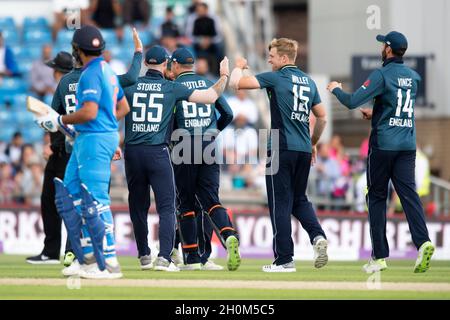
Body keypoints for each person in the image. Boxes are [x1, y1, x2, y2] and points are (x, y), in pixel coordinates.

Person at [327, 31, 434, 273]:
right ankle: (424, 242)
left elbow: (352, 101)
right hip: (407, 145)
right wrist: (375, 114)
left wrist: (335, 89)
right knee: (409, 196)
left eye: (383, 45)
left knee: (375, 196)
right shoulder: (414, 77)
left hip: (383, 145)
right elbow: (396, 108)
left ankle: (379, 257)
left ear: (387, 49)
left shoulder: (382, 74)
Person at [122, 45, 230, 272]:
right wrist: (224, 75)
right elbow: (213, 97)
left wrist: (137, 53)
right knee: (169, 206)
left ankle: (144, 255)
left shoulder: (130, 86)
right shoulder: (172, 88)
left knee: (138, 205)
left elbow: (116, 109)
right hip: (161, 152)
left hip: (133, 152)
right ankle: (168, 257)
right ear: (165, 64)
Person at [37, 25, 131, 280]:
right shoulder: (108, 71)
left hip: (93, 139)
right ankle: (86, 256)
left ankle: (108, 262)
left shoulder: (90, 74)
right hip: (89, 138)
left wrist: (60, 121)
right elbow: (122, 107)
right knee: (71, 194)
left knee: (95, 199)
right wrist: (106, 125)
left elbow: (89, 112)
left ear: (77, 50)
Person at [229, 38, 329, 272]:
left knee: (279, 203)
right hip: (304, 149)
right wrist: (313, 142)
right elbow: (322, 117)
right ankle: (317, 237)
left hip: (280, 148)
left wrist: (239, 65)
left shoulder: (275, 77)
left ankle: (284, 259)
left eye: (272, 55)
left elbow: (236, 83)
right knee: (299, 200)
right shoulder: (309, 81)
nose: (269, 59)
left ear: (284, 58)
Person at [170, 48, 239, 271]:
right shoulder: (207, 84)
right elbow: (228, 114)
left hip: (182, 145)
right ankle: (228, 234)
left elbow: (168, 121)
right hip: (208, 144)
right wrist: (213, 132)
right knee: (211, 201)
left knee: (186, 204)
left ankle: (191, 258)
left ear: (176, 65)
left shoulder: (174, 88)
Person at [26, 51, 75, 265]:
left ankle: (70, 251)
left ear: (58, 71)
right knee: (49, 201)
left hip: (67, 154)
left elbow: (63, 124)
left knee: (65, 203)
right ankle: (52, 251)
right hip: (58, 153)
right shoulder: (67, 88)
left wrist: (54, 143)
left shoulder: (66, 88)